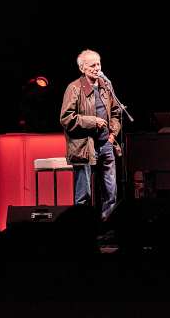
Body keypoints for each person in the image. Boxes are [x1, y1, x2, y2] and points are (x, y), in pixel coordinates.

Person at [60, 49, 121, 220]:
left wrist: (112, 135)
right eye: (92, 65)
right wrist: (92, 121)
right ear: (82, 68)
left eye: (98, 64)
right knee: (83, 195)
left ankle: (107, 228)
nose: (96, 68)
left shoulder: (105, 86)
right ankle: (82, 229)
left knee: (110, 193)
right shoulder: (74, 88)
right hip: (85, 146)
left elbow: (116, 112)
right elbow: (66, 119)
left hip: (105, 144)